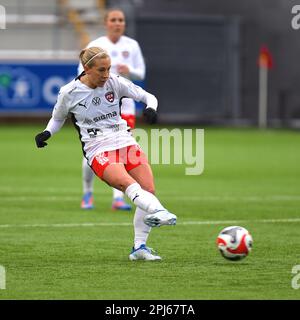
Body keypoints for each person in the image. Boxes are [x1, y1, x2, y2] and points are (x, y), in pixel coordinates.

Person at [35, 47, 177, 261]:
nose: (106, 75)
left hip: (124, 140)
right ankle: (161, 212)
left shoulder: (114, 82)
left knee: (149, 188)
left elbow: (148, 96)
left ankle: (139, 248)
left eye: (108, 69)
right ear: (86, 69)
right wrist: (47, 132)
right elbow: (57, 118)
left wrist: (151, 108)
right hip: (97, 148)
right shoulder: (69, 92)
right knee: (127, 184)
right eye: (101, 70)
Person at [78, 8, 146, 211]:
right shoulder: (95, 46)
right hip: (99, 107)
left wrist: (130, 72)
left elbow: (140, 74)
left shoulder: (132, 45)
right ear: (106, 22)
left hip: (125, 106)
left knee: (122, 151)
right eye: (113, 20)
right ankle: (87, 193)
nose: (118, 23)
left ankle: (118, 198)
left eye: (121, 20)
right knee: (94, 151)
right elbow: (81, 73)